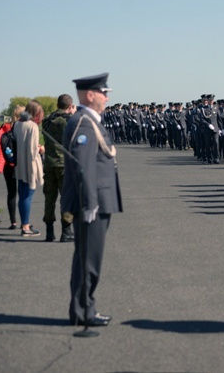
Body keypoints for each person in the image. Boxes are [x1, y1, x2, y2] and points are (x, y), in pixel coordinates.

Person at [62, 73, 122, 327]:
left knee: (88, 258)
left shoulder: (89, 121)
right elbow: (83, 167)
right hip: (93, 203)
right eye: (104, 93)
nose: (107, 97)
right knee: (89, 260)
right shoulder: (85, 123)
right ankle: (84, 311)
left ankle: (83, 308)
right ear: (90, 95)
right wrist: (89, 203)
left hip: (97, 200)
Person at [42, 94, 76, 242]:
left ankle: (49, 232)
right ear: (70, 106)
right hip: (64, 165)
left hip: (49, 164)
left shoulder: (47, 120)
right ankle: (66, 231)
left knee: (49, 198)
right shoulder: (68, 121)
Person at [13, 100, 45, 237]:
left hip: (19, 163)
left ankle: (24, 222)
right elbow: (33, 151)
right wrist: (41, 149)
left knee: (22, 194)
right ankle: (26, 227)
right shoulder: (32, 126)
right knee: (28, 195)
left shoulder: (17, 124)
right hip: (30, 164)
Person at [3, 105, 25, 231]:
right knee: (22, 192)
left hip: (8, 163)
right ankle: (24, 221)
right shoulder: (22, 127)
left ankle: (13, 221)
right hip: (20, 163)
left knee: (11, 193)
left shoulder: (6, 127)